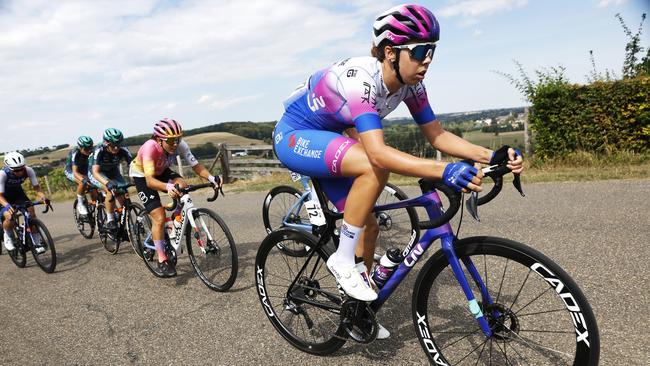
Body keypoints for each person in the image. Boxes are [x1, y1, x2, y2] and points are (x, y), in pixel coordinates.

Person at [272, 4, 524, 338]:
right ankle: (342, 260)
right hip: (295, 135)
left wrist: (490, 154)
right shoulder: (361, 80)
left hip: (333, 137)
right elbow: (377, 153)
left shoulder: (411, 84)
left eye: (432, 51)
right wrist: (444, 170)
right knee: (375, 167)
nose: (428, 60)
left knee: (369, 225)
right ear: (391, 52)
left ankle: (355, 311)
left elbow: (437, 135)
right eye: (420, 51)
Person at [129, 118, 221, 277]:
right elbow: (150, 181)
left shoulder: (181, 145)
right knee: (158, 216)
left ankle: (176, 218)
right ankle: (162, 259)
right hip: (143, 175)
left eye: (178, 139)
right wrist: (167, 187)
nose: (175, 143)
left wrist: (211, 178)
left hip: (161, 170)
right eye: (171, 140)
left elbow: (196, 166)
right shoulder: (150, 148)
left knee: (182, 185)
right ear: (159, 139)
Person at [0, 152, 49, 254]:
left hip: (17, 193)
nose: (20, 172)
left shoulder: (28, 170)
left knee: (31, 212)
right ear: (9, 168)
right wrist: (7, 205)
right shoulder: (3, 174)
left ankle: (36, 240)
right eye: (16, 170)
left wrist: (43, 197)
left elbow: (36, 188)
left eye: (21, 168)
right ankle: (7, 234)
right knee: (9, 216)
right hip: (2, 197)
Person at [89, 128, 133, 232]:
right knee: (111, 189)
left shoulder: (123, 149)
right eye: (113, 145)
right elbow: (95, 172)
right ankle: (110, 219)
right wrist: (107, 183)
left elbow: (133, 166)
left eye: (119, 144)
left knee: (123, 192)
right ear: (106, 143)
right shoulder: (99, 150)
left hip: (113, 171)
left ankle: (125, 220)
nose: (117, 147)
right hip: (97, 172)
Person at [64, 135, 96, 218]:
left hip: (85, 170)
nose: (89, 151)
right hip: (71, 171)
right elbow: (75, 172)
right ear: (80, 147)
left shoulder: (93, 151)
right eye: (85, 149)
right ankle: (80, 203)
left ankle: (96, 206)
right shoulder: (75, 153)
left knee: (95, 187)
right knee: (83, 182)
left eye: (90, 148)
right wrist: (84, 180)